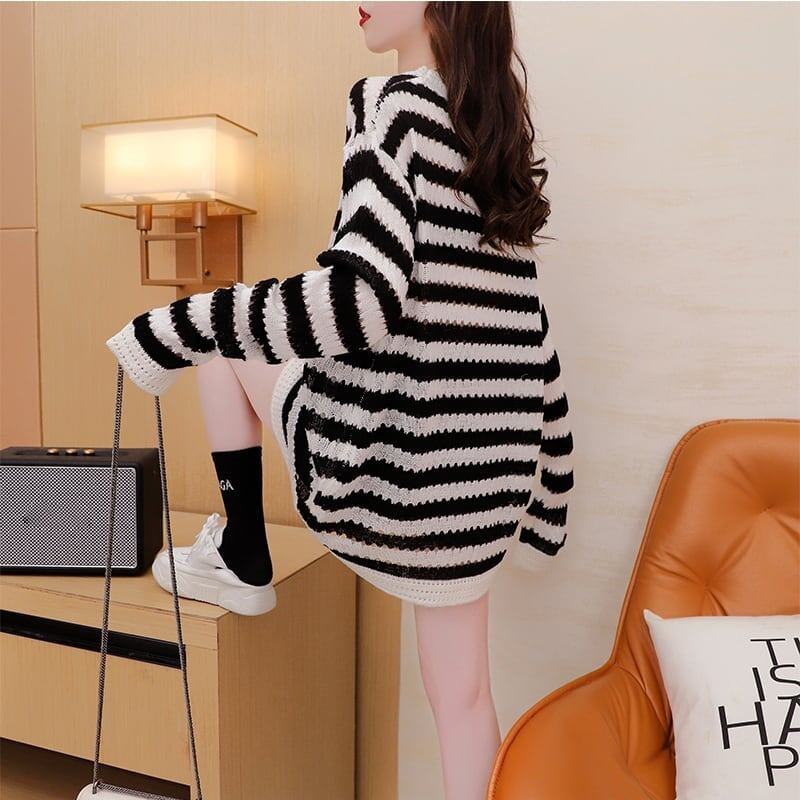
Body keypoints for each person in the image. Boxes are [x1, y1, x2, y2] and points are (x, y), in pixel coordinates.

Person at [105, 3, 574, 797]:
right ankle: (240, 551)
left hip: (392, 471)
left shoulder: (390, 107)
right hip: (479, 485)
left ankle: (242, 553)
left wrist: (177, 323)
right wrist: (547, 493)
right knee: (464, 698)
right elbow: (524, 329)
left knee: (225, 332)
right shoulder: (493, 131)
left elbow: (360, 302)